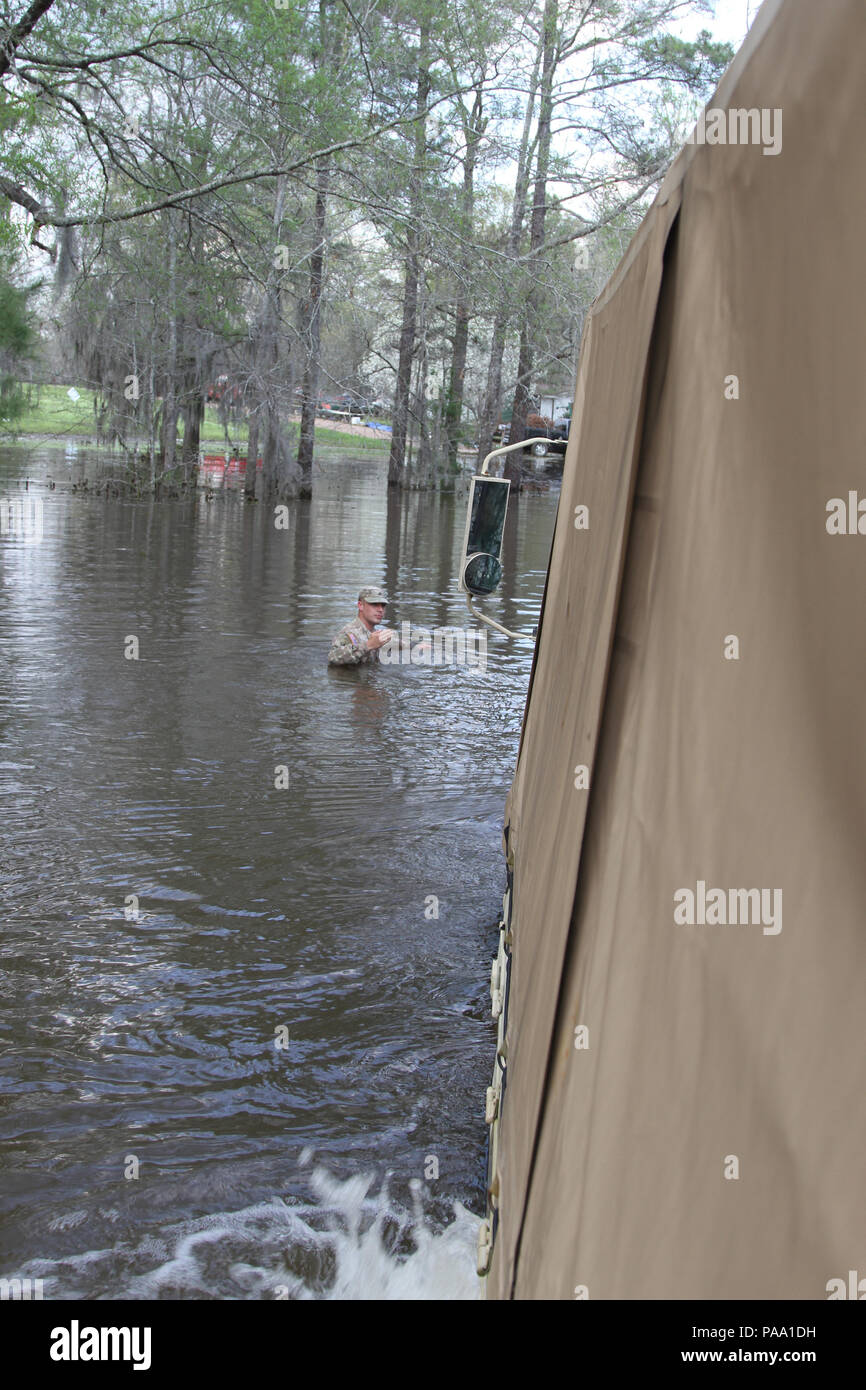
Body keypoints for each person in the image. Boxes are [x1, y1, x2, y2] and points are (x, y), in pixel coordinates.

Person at [327, 586, 394, 666]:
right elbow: (333, 657)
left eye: (383, 605)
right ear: (360, 605)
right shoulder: (349, 633)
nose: (380, 610)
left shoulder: (375, 633)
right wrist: (368, 645)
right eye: (374, 604)